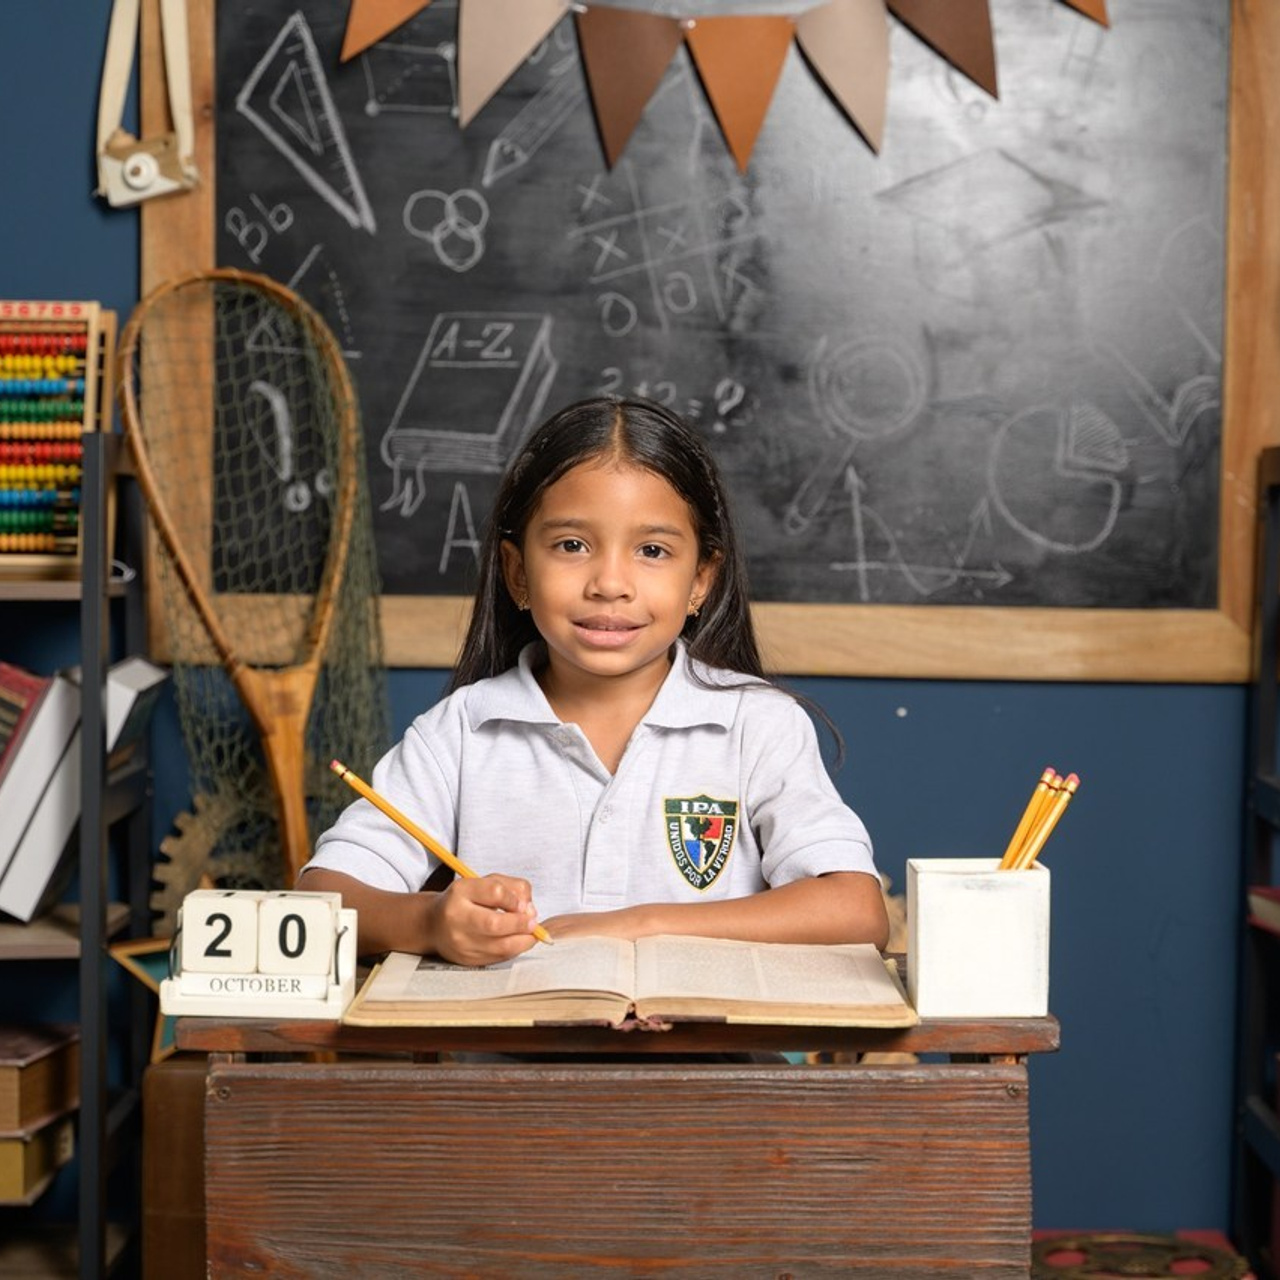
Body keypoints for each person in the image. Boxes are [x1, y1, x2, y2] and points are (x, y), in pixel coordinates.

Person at [297, 396, 888, 965]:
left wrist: (639, 925)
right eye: (571, 545)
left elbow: (855, 911)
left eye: (652, 550)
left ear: (701, 580)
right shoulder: (461, 731)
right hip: (506, 1066)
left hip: (714, 1067)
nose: (610, 582)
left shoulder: (756, 724)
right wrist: (431, 922)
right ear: (517, 572)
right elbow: (321, 900)